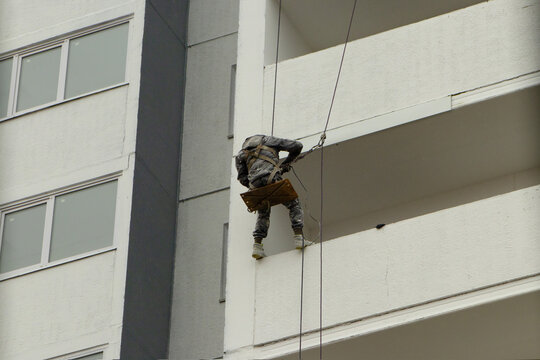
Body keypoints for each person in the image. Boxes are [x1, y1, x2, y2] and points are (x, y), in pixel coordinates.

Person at [236, 134, 314, 259]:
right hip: (271, 177)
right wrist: (285, 164)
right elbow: (297, 146)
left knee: (263, 212)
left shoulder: (241, 154)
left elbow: (242, 178)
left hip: (255, 185)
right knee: (293, 203)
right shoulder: (269, 141)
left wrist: (254, 186)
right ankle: (299, 238)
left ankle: (257, 246)